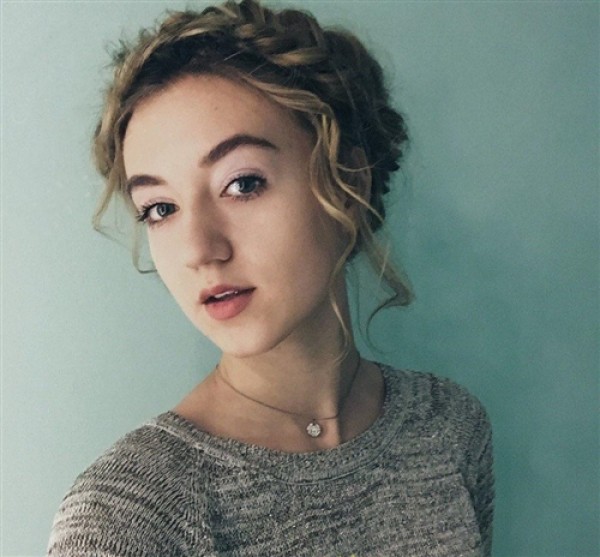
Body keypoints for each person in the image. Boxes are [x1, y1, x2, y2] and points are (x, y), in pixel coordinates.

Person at [47, 1, 494, 555]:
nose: (200, 251)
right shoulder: (125, 518)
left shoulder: (448, 425)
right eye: (160, 208)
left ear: (347, 181)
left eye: (242, 184)